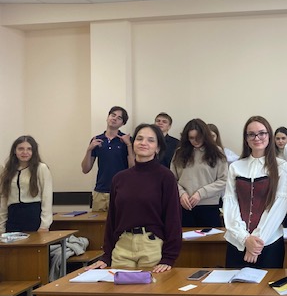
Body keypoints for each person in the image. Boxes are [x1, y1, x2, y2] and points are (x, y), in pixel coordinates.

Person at [89, 123, 182, 273]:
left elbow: (173, 218)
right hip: (122, 246)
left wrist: (169, 257)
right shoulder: (120, 178)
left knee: (151, 287)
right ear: (133, 144)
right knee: (118, 287)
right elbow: (112, 219)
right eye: (139, 139)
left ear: (158, 148)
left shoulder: (165, 177)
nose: (143, 143)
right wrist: (106, 256)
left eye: (150, 140)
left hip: (151, 246)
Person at [0, 135, 53, 296]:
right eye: (21, 148)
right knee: (14, 269)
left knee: (32, 268)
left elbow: (47, 197)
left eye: (28, 149)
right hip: (14, 220)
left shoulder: (41, 168)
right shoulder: (8, 171)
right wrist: (2, 227)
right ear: (15, 151)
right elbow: (3, 200)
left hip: (33, 218)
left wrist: (44, 224)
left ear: (33, 151)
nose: (24, 152)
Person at [224, 116, 287, 268]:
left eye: (262, 133)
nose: (257, 138)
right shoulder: (235, 167)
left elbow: (279, 205)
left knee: (268, 283)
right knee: (235, 282)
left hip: (269, 242)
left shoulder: (281, 166)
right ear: (246, 138)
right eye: (251, 134)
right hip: (237, 242)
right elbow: (230, 203)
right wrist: (244, 239)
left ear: (269, 135)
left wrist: (256, 242)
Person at [171, 119, 228, 227]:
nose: (195, 141)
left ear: (205, 135)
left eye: (199, 137)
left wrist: (200, 193)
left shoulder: (217, 152)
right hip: (184, 205)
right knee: (185, 238)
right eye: (191, 138)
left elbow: (224, 180)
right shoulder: (179, 153)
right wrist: (181, 193)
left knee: (211, 238)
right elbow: (172, 179)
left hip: (209, 207)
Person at [81, 106, 134, 212]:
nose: (114, 118)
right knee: (97, 222)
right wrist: (89, 149)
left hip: (121, 190)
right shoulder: (97, 140)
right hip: (100, 191)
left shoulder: (127, 140)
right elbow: (85, 169)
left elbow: (133, 168)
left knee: (120, 221)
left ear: (123, 123)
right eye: (113, 115)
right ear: (107, 117)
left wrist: (128, 145)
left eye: (119, 118)